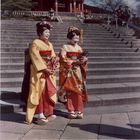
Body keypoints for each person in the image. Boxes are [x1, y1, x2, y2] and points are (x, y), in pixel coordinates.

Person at [26, 21, 59, 125]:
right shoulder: (35, 43)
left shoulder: (50, 44)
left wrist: (54, 65)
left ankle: (48, 112)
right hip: (39, 71)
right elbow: (35, 57)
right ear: (40, 33)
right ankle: (40, 114)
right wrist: (44, 68)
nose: (48, 34)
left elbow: (54, 56)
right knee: (39, 91)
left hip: (49, 71)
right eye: (45, 32)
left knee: (47, 92)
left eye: (48, 32)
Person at [58, 26, 88, 119]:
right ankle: (71, 110)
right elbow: (62, 59)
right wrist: (73, 62)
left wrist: (84, 60)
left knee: (79, 91)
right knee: (70, 91)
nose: (77, 38)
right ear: (70, 36)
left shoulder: (79, 48)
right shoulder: (65, 47)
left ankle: (79, 110)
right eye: (74, 36)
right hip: (69, 72)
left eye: (78, 36)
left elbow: (82, 60)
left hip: (78, 72)